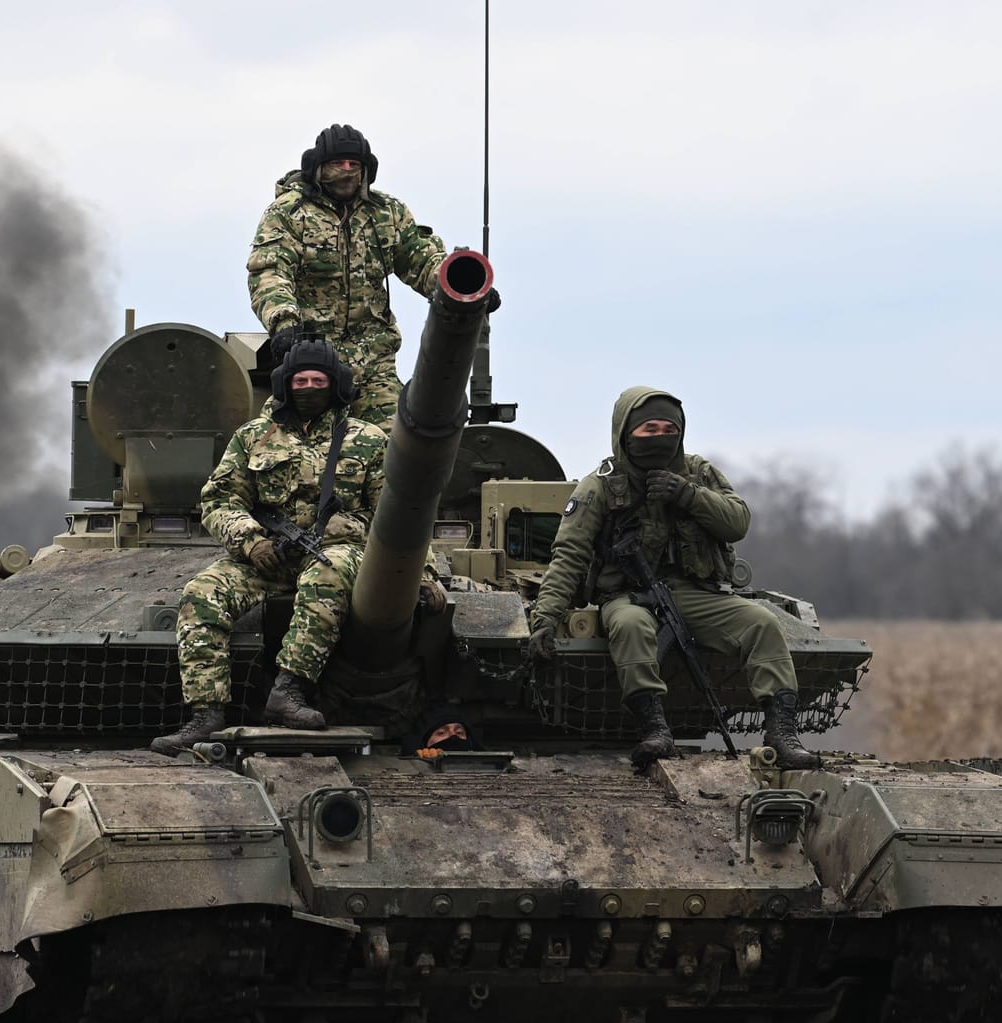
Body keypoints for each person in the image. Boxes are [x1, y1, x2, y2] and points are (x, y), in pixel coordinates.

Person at [526, 387, 822, 771]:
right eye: (649, 428)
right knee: (631, 628)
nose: (660, 437)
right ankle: (654, 728)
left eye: (669, 428)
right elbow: (569, 555)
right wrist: (546, 618)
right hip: (628, 596)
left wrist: (687, 495)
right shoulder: (600, 486)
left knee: (761, 623)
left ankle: (782, 734)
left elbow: (737, 522)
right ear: (625, 432)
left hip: (698, 593)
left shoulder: (698, 473)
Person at [151, 338, 395, 754]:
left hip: (337, 552)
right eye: (301, 379)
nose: (309, 387)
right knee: (201, 593)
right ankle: (205, 714)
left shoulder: (368, 440)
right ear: (285, 384)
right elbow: (219, 498)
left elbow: (397, 513)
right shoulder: (253, 437)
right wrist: (250, 541)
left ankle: (289, 691)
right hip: (268, 556)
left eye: (319, 380)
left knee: (327, 575)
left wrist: (422, 574)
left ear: (335, 385)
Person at [246, 124, 457, 423]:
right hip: (312, 359)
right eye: (337, 164)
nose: (346, 171)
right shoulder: (289, 213)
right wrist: (284, 323)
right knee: (309, 446)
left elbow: (420, 260)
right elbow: (270, 270)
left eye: (354, 164)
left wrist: (457, 286)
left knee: (397, 445)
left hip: (374, 360)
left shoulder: (386, 213)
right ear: (318, 167)